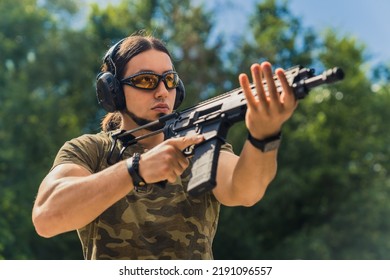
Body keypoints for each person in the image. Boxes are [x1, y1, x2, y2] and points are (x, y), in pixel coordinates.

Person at [32, 33, 298, 260]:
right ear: (113, 92)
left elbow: (246, 190)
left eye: (169, 81)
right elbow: (47, 217)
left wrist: (264, 135)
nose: (162, 91)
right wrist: (137, 169)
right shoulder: (91, 150)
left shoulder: (197, 143)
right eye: (146, 80)